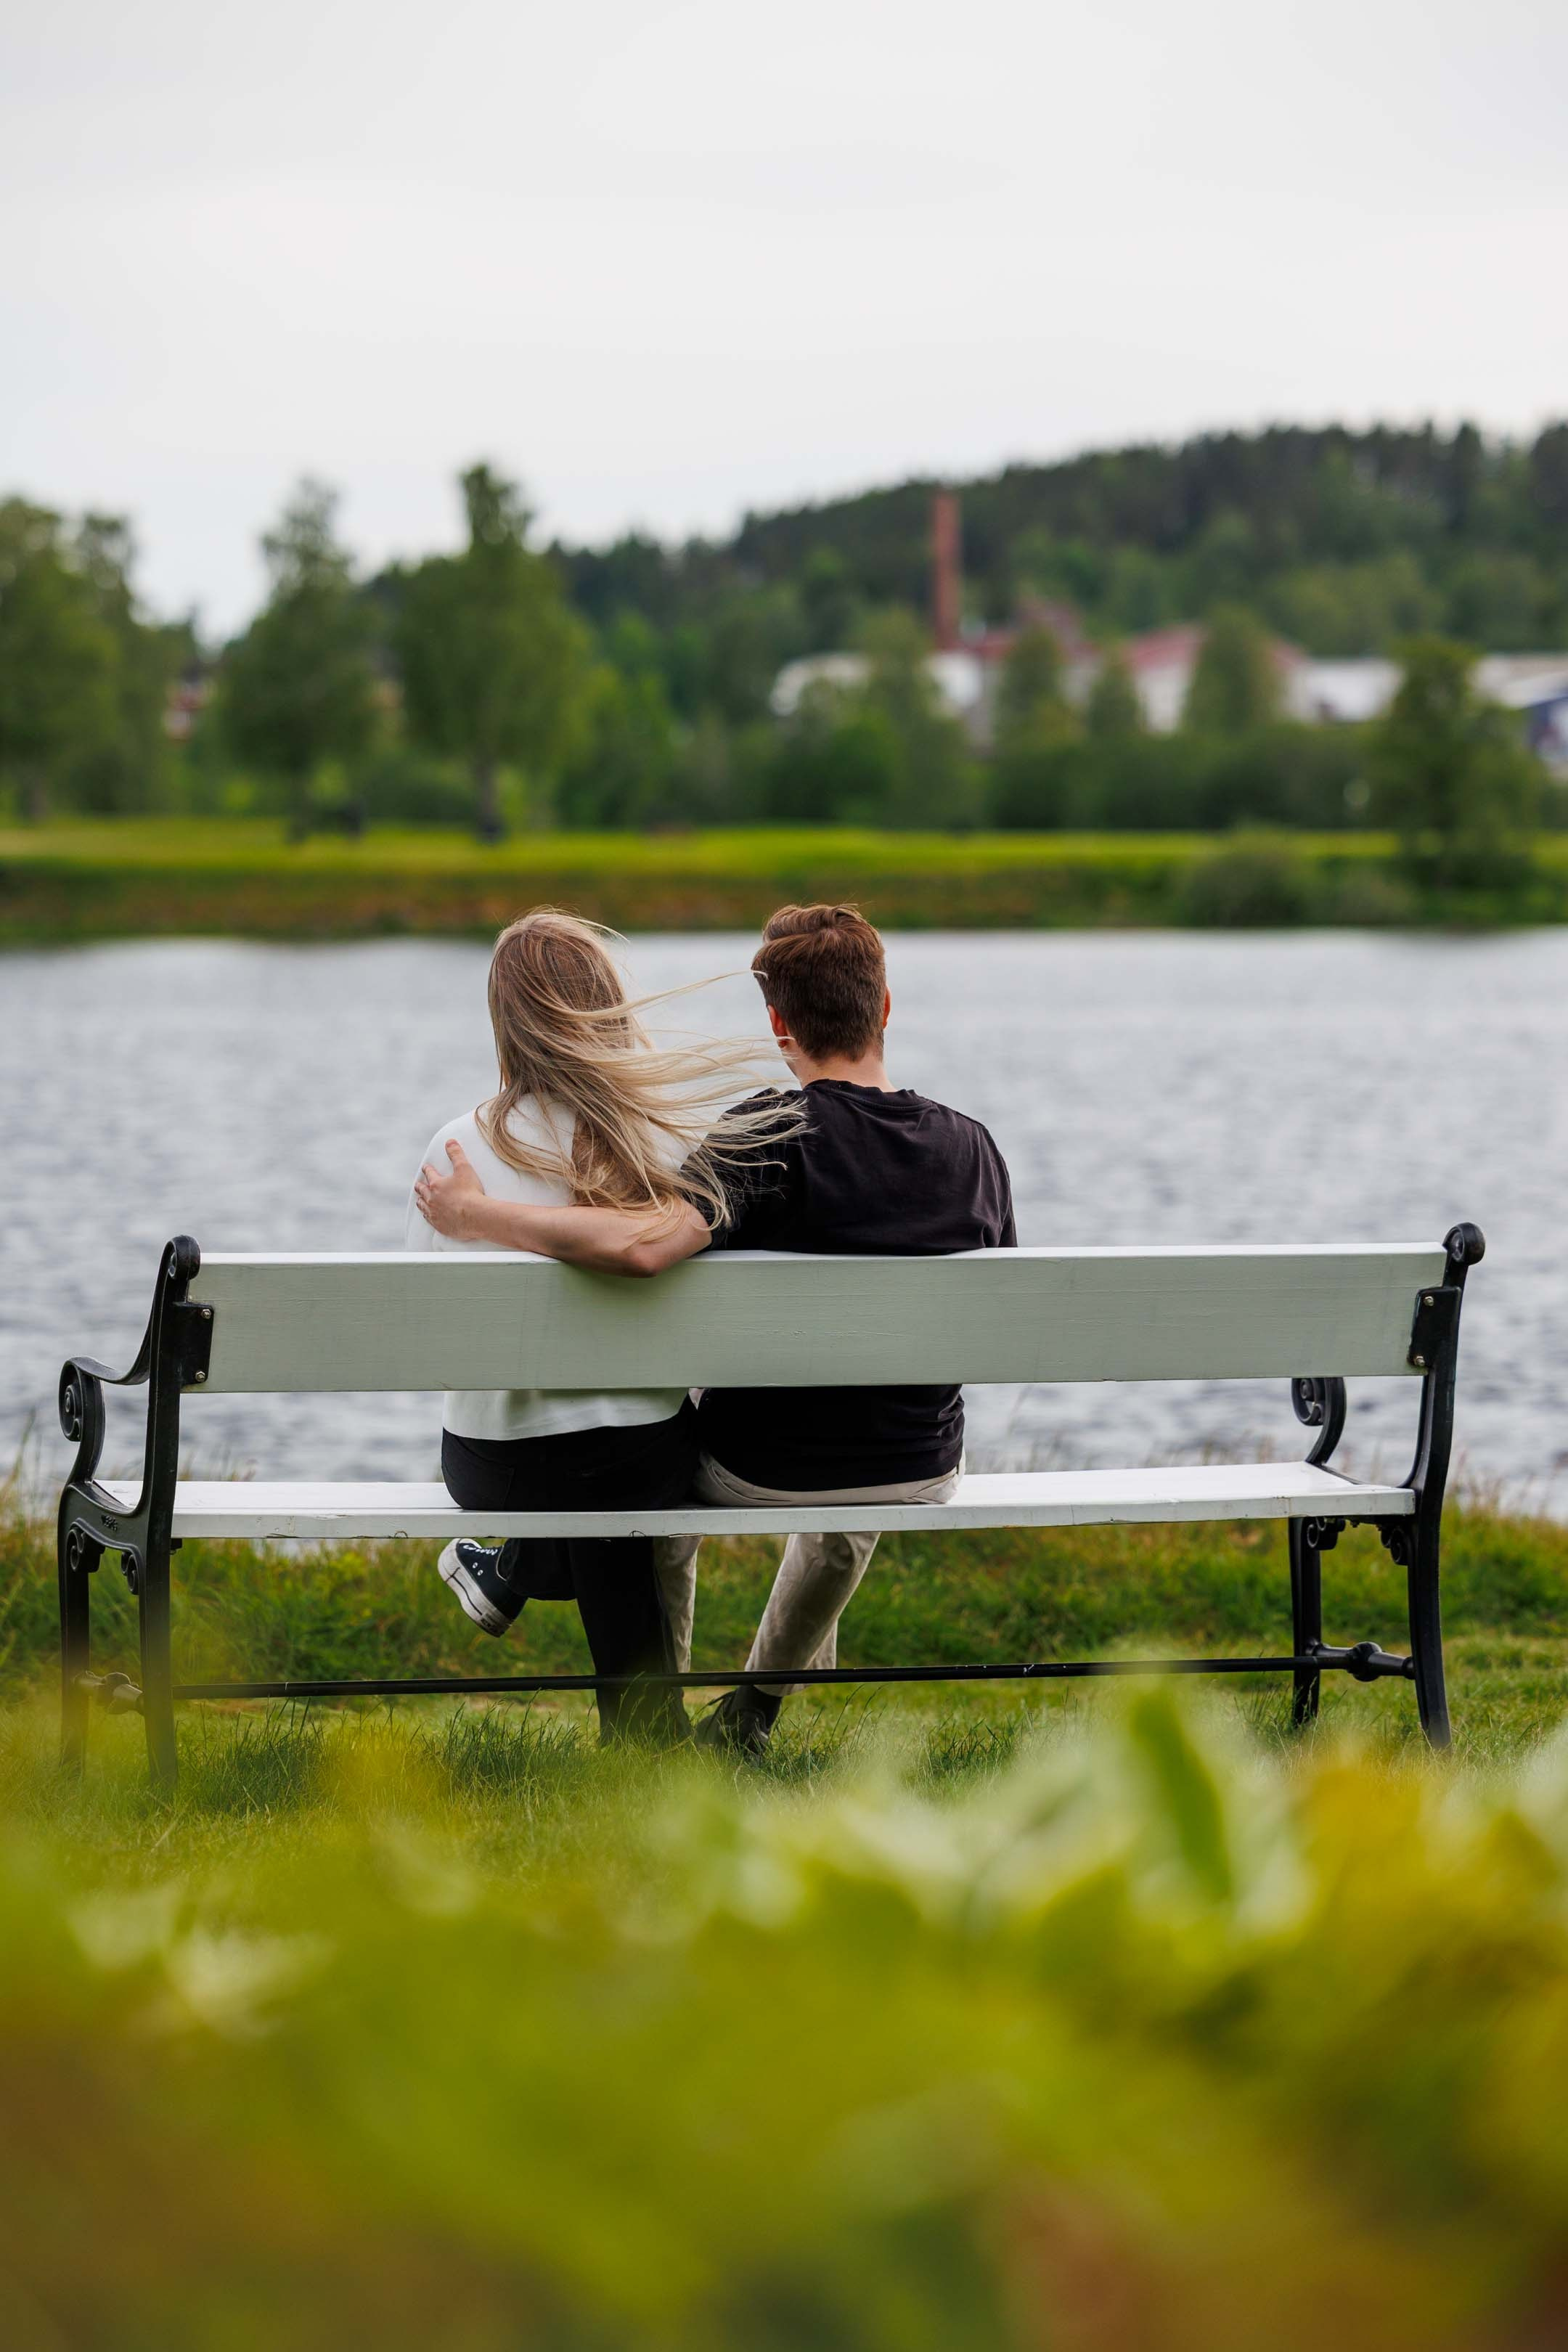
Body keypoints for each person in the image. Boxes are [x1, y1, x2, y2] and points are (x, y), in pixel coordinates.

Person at [418, 903, 1016, 1756]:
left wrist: (480, 1212)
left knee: (645, 1455)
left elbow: (645, 1249)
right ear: (885, 1007)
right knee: (840, 1460)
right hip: (921, 1465)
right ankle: (752, 1713)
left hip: (760, 1469)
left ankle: (640, 1698)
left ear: (777, 1024)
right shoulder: (975, 1148)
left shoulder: (765, 1134)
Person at [406, 907, 791, 1744]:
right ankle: (644, 1735)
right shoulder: (669, 1138)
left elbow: (429, 1346)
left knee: (579, 1470)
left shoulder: (453, 1152)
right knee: (606, 1466)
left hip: (490, 1469)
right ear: (607, 1007)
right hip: (639, 1463)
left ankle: (515, 1565)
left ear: (506, 1021)